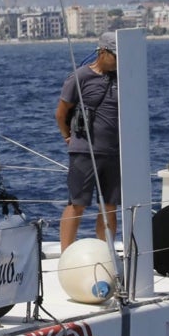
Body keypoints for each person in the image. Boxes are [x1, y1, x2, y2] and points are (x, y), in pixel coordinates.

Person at [55, 31, 120, 252]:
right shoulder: (79, 77)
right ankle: (66, 254)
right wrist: (67, 137)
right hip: (84, 151)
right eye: (116, 56)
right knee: (77, 204)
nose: (119, 61)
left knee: (110, 206)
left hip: (113, 152)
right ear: (103, 52)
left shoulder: (123, 78)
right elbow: (61, 113)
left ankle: (106, 253)